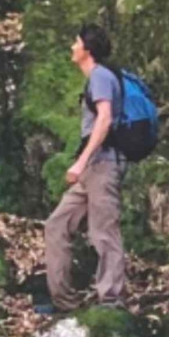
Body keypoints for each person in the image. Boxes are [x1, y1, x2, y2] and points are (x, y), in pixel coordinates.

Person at [40, 23, 127, 313]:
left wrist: (80, 160)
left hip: (102, 165)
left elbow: (104, 120)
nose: (72, 47)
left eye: (76, 42)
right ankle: (63, 301)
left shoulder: (101, 76)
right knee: (56, 225)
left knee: (104, 230)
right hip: (92, 167)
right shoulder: (95, 78)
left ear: (87, 50)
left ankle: (110, 300)